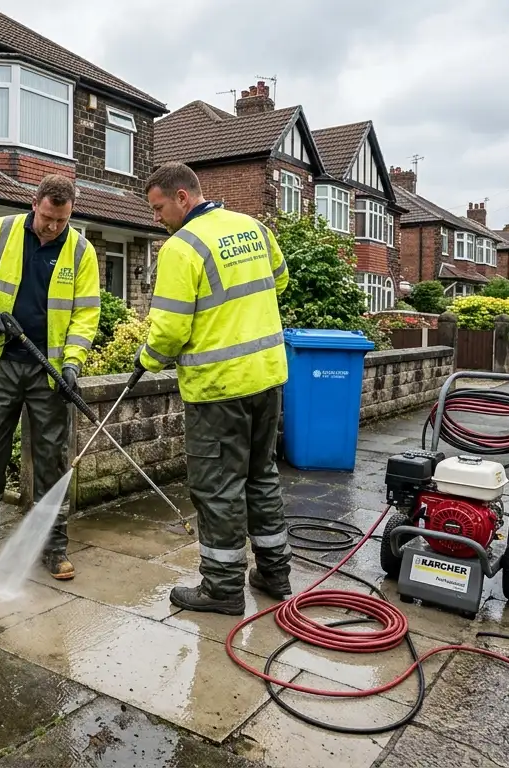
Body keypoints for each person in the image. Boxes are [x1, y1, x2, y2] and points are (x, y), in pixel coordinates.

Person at [134, 162, 293, 615]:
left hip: (218, 389)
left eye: (159, 207)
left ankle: (222, 589)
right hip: (267, 378)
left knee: (218, 487)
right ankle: (275, 572)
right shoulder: (253, 227)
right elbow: (277, 281)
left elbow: (168, 330)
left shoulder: (181, 248)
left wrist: (147, 358)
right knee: (261, 476)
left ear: (183, 197)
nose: (157, 218)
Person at [0, 174, 101, 580]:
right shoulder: (0, 232)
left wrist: (72, 363)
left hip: (48, 373)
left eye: (62, 220)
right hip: (0, 362)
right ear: (35, 204)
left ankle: (53, 547)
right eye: (48, 217)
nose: (53, 227)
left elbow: (86, 313)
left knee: (53, 459)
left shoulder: (81, 250)